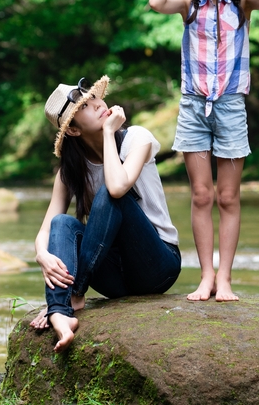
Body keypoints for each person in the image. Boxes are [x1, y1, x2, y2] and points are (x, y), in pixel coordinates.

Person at [148, 0, 259, 302]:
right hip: (193, 106)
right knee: (202, 195)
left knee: (228, 197)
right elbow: (156, 2)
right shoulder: (188, 5)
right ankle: (205, 277)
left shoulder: (243, 3)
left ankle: (225, 279)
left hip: (230, 106)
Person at [31, 75, 181, 351]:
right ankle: (60, 311)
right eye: (86, 106)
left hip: (157, 265)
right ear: (74, 130)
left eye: (95, 98)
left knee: (111, 195)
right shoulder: (70, 172)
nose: (99, 104)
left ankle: (70, 298)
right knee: (63, 223)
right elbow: (46, 229)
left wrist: (109, 133)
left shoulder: (137, 138)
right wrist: (42, 254)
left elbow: (117, 187)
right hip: (113, 277)